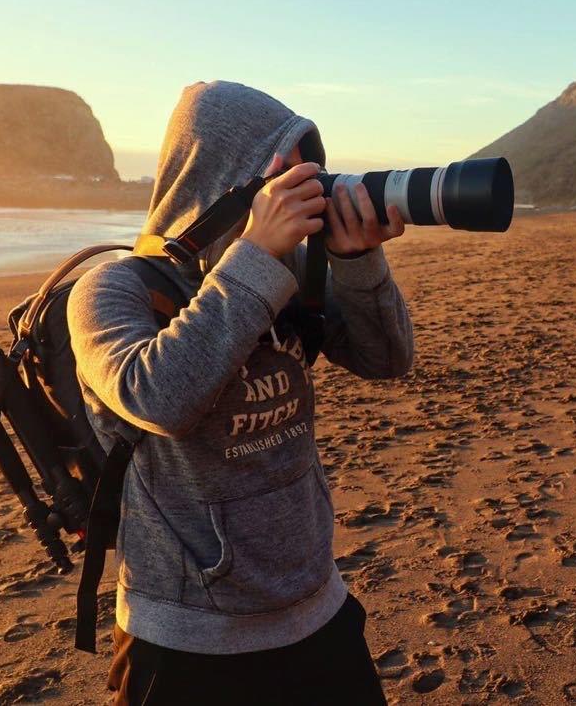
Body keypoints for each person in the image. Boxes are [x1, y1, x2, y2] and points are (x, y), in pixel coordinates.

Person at [68, 81, 413, 705]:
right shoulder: (110, 289)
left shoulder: (283, 274)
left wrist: (359, 262)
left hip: (316, 606)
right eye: (281, 175)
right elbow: (161, 398)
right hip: (187, 636)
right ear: (220, 186)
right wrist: (255, 254)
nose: (301, 190)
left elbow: (387, 360)